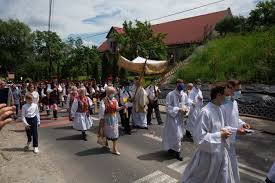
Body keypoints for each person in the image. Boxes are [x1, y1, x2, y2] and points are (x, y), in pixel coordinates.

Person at [180, 85, 234, 183]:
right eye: (226, 95)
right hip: (208, 157)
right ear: (218, 95)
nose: (228, 98)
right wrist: (220, 135)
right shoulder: (205, 112)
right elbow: (199, 138)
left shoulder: (219, 108)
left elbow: (221, 127)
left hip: (220, 153)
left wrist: (231, 130)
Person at [221, 80, 251, 183]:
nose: (239, 92)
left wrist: (242, 124)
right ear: (230, 88)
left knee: (232, 167)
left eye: (240, 89)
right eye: (237, 89)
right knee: (225, 169)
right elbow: (221, 126)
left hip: (232, 141)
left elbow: (235, 119)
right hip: (224, 142)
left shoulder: (234, 102)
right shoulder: (223, 105)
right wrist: (236, 130)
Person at [162, 79, 188, 161]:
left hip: (180, 118)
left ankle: (172, 149)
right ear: (176, 84)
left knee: (178, 135)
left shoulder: (184, 94)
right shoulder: (171, 94)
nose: (181, 85)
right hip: (172, 118)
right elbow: (168, 107)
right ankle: (177, 153)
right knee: (176, 135)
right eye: (180, 83)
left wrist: (186, 111)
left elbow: (187, 104)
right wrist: (178, 109)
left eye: (182, 83)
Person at [99, 86, 125, 155]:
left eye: (113, 93)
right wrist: (102, 122)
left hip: (113, 119)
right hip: (107, 119)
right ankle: (106, 143)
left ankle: (114, 148)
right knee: (106, 132)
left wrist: (122, 107)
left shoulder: (114, 100)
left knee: (115, 134)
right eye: (112, 93)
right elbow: (101, 113)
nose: (113, 94)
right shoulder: (103, 101)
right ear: (107, 93)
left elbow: (116, 109)